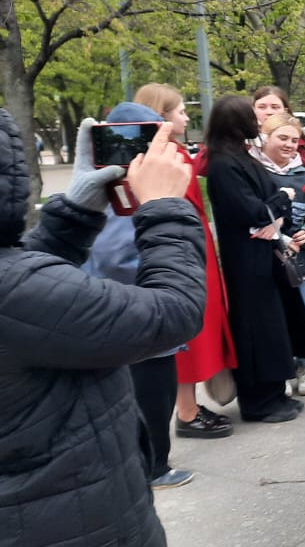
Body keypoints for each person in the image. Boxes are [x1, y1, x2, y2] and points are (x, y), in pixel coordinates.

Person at [0, 110, 205, 547]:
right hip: (73, 522)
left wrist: (72, 214)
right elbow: (172, 313)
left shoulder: (16, 289)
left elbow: (31, 295)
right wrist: (165, 207)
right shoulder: (15, 291)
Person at [205, 95, 305, 422]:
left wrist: (274, 210)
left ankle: (273, 393)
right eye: (249, 117)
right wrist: (281, 199)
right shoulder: (223, 164)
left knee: (272, 327)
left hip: (262, 252)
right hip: (246, 261)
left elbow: (266, 211)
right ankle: (258, 402)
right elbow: (252, 210)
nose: (257, 123)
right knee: (255, 330)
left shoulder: (238, 157)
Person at [131, 84, 237, 441]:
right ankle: (187, 412)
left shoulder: (168, 152)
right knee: (188, 325)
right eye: (179, 111)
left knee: (196, 325)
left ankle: (188, 405)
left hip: (189, 241)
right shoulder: (162, 157)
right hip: (182, 245)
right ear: (160, 117)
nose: (186, 116)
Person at [248, 113, 305, 395]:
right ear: (265, 138)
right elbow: (254, 217)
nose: (289, 145)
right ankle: (281, 368)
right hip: (270, 260)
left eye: (294, 140)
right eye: (282, 138)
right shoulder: (255, 173)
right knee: (277, 319)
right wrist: (281, 239)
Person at [253, 86, 305, 175]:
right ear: (253, 109)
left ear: (285, 110)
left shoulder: (303, 149)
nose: (269, 112)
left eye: (275, 107)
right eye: (262, 107)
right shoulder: (243, 144)